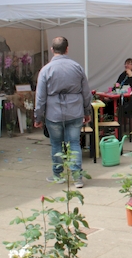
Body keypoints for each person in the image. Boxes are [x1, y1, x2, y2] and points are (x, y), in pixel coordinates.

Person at [34, 36, 91, 187]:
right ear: (67, 49)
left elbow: (40, 97)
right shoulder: (77, 67)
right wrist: (87, 111)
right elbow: (86, 92)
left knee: (56, 144)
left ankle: (58, 175)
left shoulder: (46, 70)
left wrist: (38, 116)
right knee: (74, 143)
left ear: (52, 50)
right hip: (75, 111)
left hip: (54, 113)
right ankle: (77, 177)